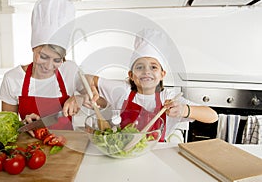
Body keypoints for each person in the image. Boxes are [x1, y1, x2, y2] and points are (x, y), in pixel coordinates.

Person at [81, 28, 218, 142]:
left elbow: (213, 116)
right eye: (140, 67)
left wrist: (184, 110)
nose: (147, 72)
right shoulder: (122, 90)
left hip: (159, 152)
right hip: (123, 150)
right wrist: (93, 89)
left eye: (153, 67)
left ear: (162, 74)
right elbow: (85, 78)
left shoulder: (169, 98)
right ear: (131, 75)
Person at [0, 0, 86, 135]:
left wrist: (80, 98)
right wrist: (22, 124)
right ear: (33, 48)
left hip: (65, 147)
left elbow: (97, 99)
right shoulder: (12, 78)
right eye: (43, 56)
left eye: (57, 60)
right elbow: (5, 128)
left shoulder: (70, 70)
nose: (48, 66)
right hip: (29, 150)